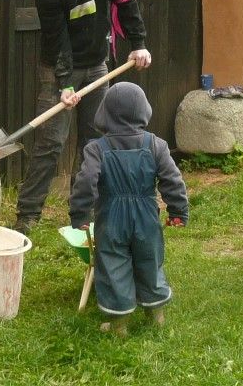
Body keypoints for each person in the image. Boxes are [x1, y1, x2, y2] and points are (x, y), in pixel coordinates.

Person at [14, 0, 152, 233]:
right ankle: (28, 214)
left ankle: (82, 213)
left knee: (93, 142)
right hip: (59, 70)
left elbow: (128, 4)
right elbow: (56, 38)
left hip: (97, 66)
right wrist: (65, 85)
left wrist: (140, 43)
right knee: (51, 144)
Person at [69, 82, 189, 336]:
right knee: (149, 259)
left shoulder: (96, 148)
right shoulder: (156, 145)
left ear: (105, 112)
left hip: (111, 217)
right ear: (144, 110)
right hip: (146, 214)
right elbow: (172, 179)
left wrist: (80, 214)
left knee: (112, 263)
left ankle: (119, 325)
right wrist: (178, 211)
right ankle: (156, 316)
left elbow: (86, 181)